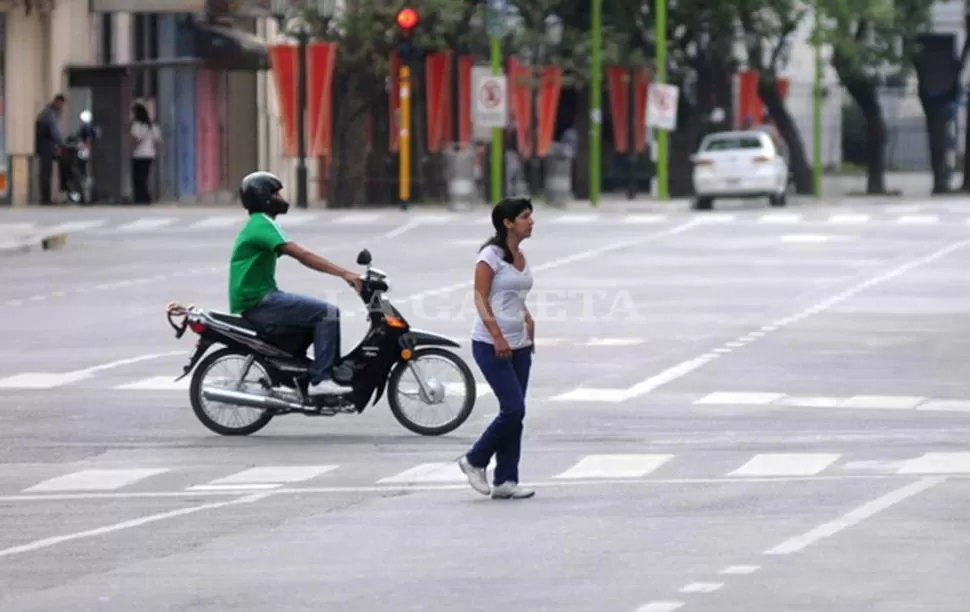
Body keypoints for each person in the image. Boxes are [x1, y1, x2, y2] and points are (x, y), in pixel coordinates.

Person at [229, 171, 363, 395]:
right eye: (276, 194)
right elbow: (303, 255)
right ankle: (321, 380)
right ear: (264, 198)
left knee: (311, 318)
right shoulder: (262, 224)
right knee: (327, 313)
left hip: (258, 296)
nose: (281, 198)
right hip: (258, 300)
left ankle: (298, 375)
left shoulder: (259, 223)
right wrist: (345, 274)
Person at [457, 197, 536, 500]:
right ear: (507, 223)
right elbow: (481, 298)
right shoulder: (489, 256)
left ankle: (505, 479)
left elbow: (513, 295)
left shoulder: (520, 255)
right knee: (513, 408)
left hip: (520, 344)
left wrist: (527, 318)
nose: (531, 222)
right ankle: (474, 459)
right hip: (491, 344)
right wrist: (498, 336)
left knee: (515, 414)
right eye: (525, 217)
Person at [34, 94, 66, 205]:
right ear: (56, 102)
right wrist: (62, 142)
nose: (61, 106)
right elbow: (54, 130)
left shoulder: (54, 112)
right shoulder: (49, 113)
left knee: (48, 172)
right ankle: (45, 198)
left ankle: (49, 197)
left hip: (49, 145)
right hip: (45, 146)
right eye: (60, 104)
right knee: (45, 173)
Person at [129, 102, 161, 204]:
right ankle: (145, 198)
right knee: (144, 177)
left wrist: (131, 149)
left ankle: (141, 198)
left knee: (137, 178)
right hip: (149, 154)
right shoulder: (152, 126)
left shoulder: (136, 126)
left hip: (138, 155)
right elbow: (158, 141)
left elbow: (134, 140)